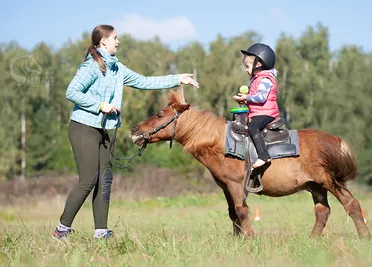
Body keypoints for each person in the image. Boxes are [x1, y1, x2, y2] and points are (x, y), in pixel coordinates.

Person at [52, 24, 199, 240]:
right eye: (114, 38)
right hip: (84, 127)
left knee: (105, 178)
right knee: (89, 178)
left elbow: (144, 81)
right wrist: (101, 105)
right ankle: (61, 230)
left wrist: (177, 79)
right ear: (103, 41)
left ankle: (101, 232)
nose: (118, 42)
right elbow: (71, 91)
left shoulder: (117, 68)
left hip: (105, 129)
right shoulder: (91, 66)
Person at [233, 43, 279, 168]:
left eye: (247, 66)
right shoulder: (257, 79)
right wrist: (245, 101)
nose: (246, 70)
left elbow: (261, 97)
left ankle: (264, 156)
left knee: (253, 128)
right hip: (260, 112)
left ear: (258, 64)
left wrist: (246, 97)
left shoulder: (265, 79)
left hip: (267, 113)